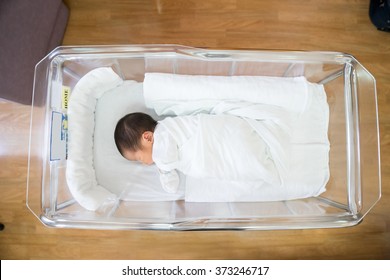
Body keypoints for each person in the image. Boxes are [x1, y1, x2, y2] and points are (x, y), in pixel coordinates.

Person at [114, 112, 279, 194]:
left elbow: (169, 174)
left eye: (139, 157)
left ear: (148, 137)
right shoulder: (164, 147)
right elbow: (172, 184)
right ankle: (263, 162)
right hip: (215, 142)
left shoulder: (164, 133)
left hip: (211, 138)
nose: (143, 163)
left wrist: (164, 171)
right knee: (242, 164)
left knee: (239, 158)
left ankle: (262, 162)